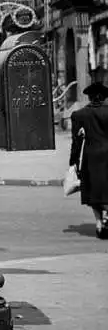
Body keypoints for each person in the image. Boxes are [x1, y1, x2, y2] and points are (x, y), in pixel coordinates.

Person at [69, 81, 108, 239]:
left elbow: (76, 142)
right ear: (105, 97)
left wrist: (73, 162)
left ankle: (99, 222)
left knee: (93, 191)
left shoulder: (79, 115)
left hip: (91, 157)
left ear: (89, 97)